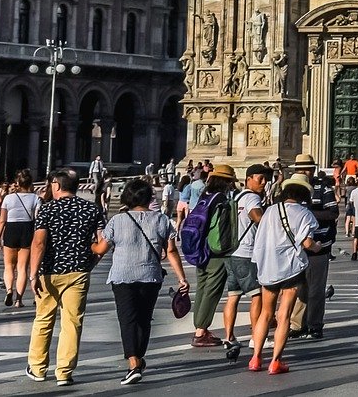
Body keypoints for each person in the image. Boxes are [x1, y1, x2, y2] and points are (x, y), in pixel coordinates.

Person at [92, 176, 189, 386]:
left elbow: (100, 249)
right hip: (150, 276)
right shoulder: (162, 219)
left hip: (123, 277)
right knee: (144, 319)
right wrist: (182, 278)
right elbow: (171, 250)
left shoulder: (117, 220)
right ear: (148, 198)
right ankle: (139, 357)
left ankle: (134, 363)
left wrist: (90, 245)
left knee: (127, 319)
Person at [26, 168, 106, 385]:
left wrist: (32, 274)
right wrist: (92, 261)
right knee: (72, 322)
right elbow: (102, 244)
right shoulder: (91, 209)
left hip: (49, 272)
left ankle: (38, 368)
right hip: (78, 271)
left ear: (57, 185)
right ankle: (64, 372)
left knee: (43, 319)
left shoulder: (47, 209)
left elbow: (39, 242)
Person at [246, 174, 321, 374]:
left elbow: (260, 238)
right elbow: (306, 243)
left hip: (268, 267)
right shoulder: (305, 214)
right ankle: (276, 361)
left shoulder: (270, 210)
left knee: (266, 313)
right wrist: (316, 247)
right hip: (290, 268)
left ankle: (255, 358)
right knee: (284, 314)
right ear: (304, 194)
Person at [185, 165, 240, 348]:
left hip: (200, 248)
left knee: (202, 288)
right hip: (215, 252)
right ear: (227, 182)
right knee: (212, 290)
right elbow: (224, 229)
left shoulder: (205, 196)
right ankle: (201, 331)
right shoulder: (221, 199)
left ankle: (199, 327)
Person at [218, 163, 269, 356]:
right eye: (260, 179)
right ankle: (256, 337)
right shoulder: (252, 198)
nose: (263, 183)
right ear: (248, 179)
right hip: (246, 253)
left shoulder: (236, 196)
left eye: (265, 179)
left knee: (233, 295)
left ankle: (229, 337)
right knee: (256, 295)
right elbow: (257, 217)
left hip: (230, 251)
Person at [292, 159, 338, 341]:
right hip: (296, 247)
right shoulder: (292, 189)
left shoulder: (323, 188)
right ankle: (297, 324)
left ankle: (314, 325)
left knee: (316, 289)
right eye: (302, 170)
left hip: (319, 245)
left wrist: (306, 213)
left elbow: (333, 212)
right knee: (298, 288)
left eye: (308, 170)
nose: (306, 173)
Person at [0, 169, 41, 306]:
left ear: (18, 183)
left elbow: (2, 220)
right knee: (22, 267)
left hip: (11, 229)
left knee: (8, 266)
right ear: (30, 183)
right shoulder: (35, 198)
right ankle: (19, 300)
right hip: (27, 229)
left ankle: (9, 290)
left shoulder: (8, 198)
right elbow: (38, 218)